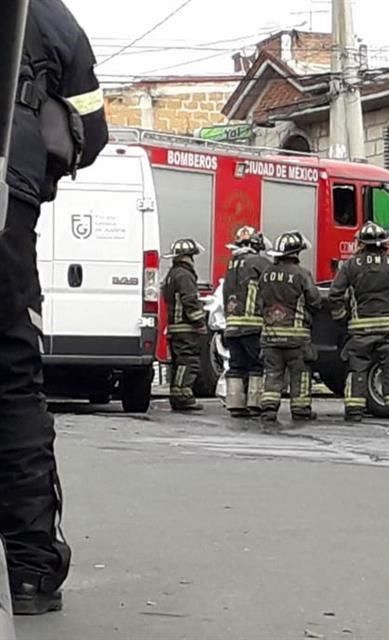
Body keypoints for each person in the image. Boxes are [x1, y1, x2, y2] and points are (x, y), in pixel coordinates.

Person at [1, 0, 108, 615]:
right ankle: (28, 570)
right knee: (11, 376)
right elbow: (89, 134)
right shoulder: (46, 15)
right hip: (5, 208)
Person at [328, 222, 389, 423]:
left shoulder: (350, 265)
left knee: (358, 368)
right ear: (383, 243)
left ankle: (355, 411)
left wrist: (341, 318)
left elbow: (334, 295)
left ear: (361, 243)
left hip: (361, 329)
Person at [257, 231, 323, 428]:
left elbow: (260, 303)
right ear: (296, 253)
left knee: (272, 373)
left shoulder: (266, 274)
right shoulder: (302, 274)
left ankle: (269, 409)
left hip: (270, 336)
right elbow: (315, 301)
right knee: (300, 373)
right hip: (297, 339)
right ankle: (300, 410)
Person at [222, 226, 271, 420]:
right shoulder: (259, 262)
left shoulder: (232, 264)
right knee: (256, 365)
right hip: (253, 325)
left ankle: (235, 404)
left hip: (232, 325)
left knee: (236, 365)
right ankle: (255, 403)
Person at [161, 239, 207, 412]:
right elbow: (190, 301)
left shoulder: (172, 274)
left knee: (179, 361)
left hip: (176, 326)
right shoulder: (184, 275)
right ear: (188, 257)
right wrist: (200, 322)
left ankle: (178, 394)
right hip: (186, 328)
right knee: (188, 361)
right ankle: (182, 396)